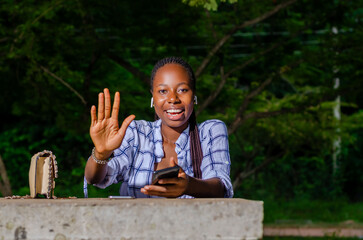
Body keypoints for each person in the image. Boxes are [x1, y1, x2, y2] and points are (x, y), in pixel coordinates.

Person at [84, 57, 233, 198]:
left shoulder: (210, 131)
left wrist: (189, 185)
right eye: (163, 91)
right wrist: (101, 154)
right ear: (153, 97)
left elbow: (220, 187)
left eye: (182, 90)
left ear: (193, 96)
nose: (173, 99)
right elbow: (95, 179)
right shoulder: (137, 133)